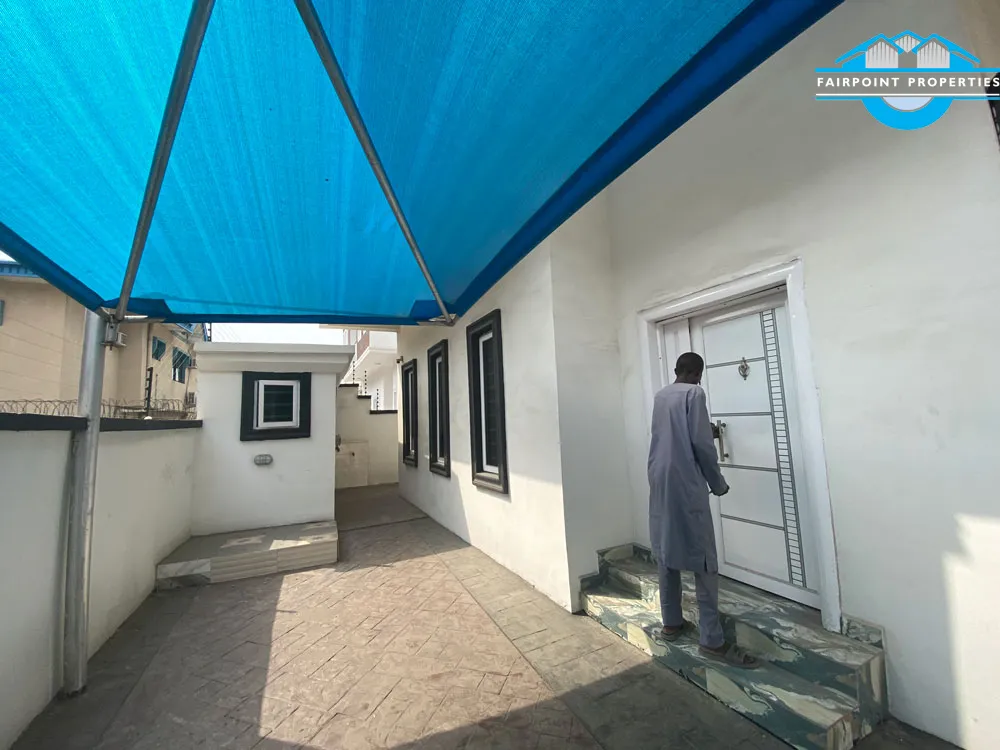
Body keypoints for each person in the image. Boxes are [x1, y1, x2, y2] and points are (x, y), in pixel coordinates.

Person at [647, 352, 758, 668]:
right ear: (697, 373)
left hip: (659, 478)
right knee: (705, 559)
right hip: (686, 481)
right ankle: (712, 640)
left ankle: (671, 623)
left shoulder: (661, 396)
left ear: (676, 370)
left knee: (666, 550)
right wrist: (718, 482)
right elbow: (701, 445)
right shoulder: (694, 394)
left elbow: (669, 434)